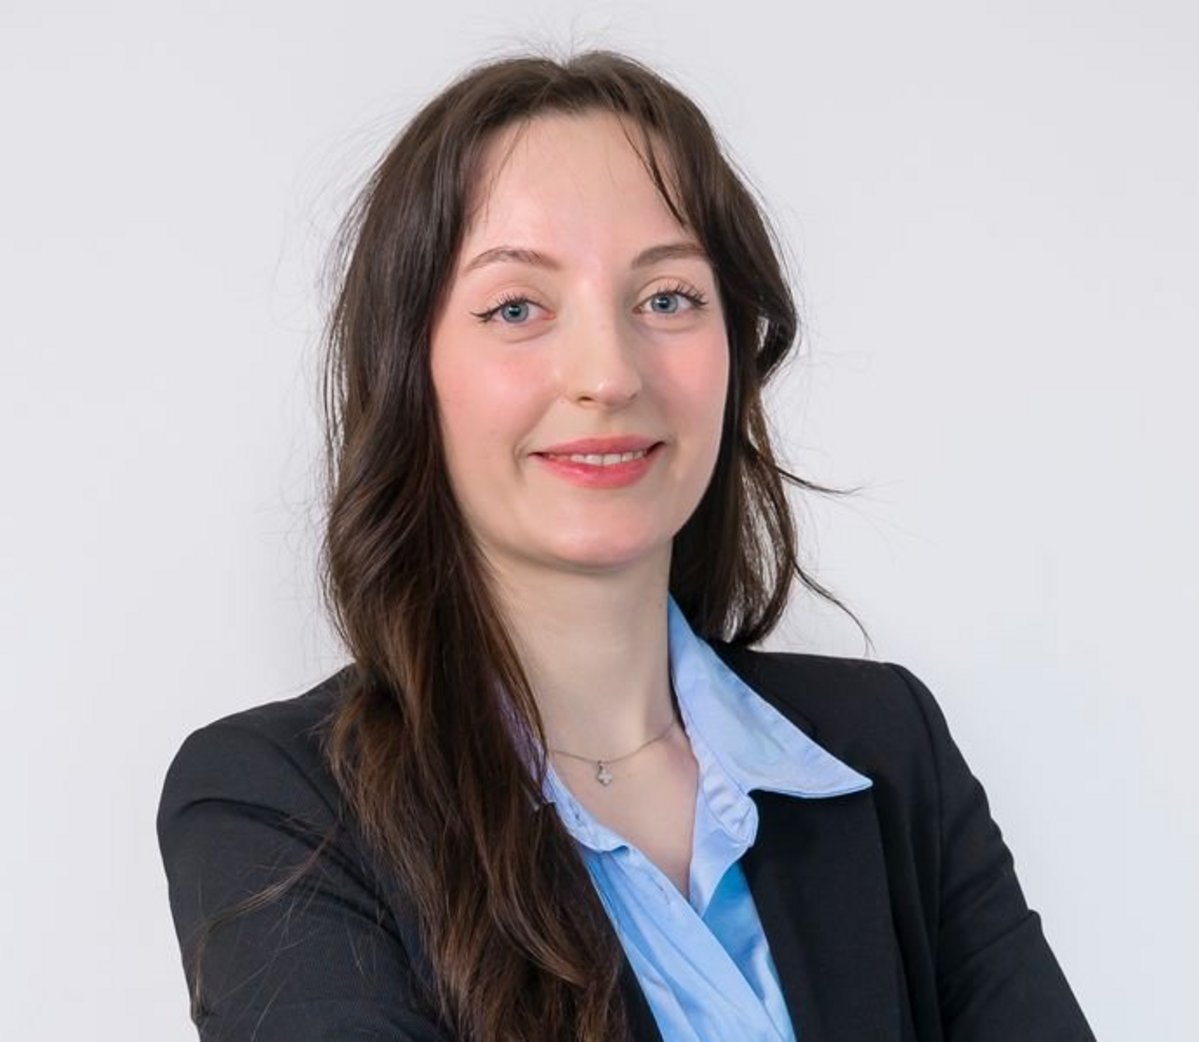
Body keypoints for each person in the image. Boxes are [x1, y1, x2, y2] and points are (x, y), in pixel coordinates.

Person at [157, 50, 1094, 1042]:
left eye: (668, 299)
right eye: (517, 307)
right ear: (409, 372)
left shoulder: (884, 749)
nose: (606, 373)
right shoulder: (279, 806)